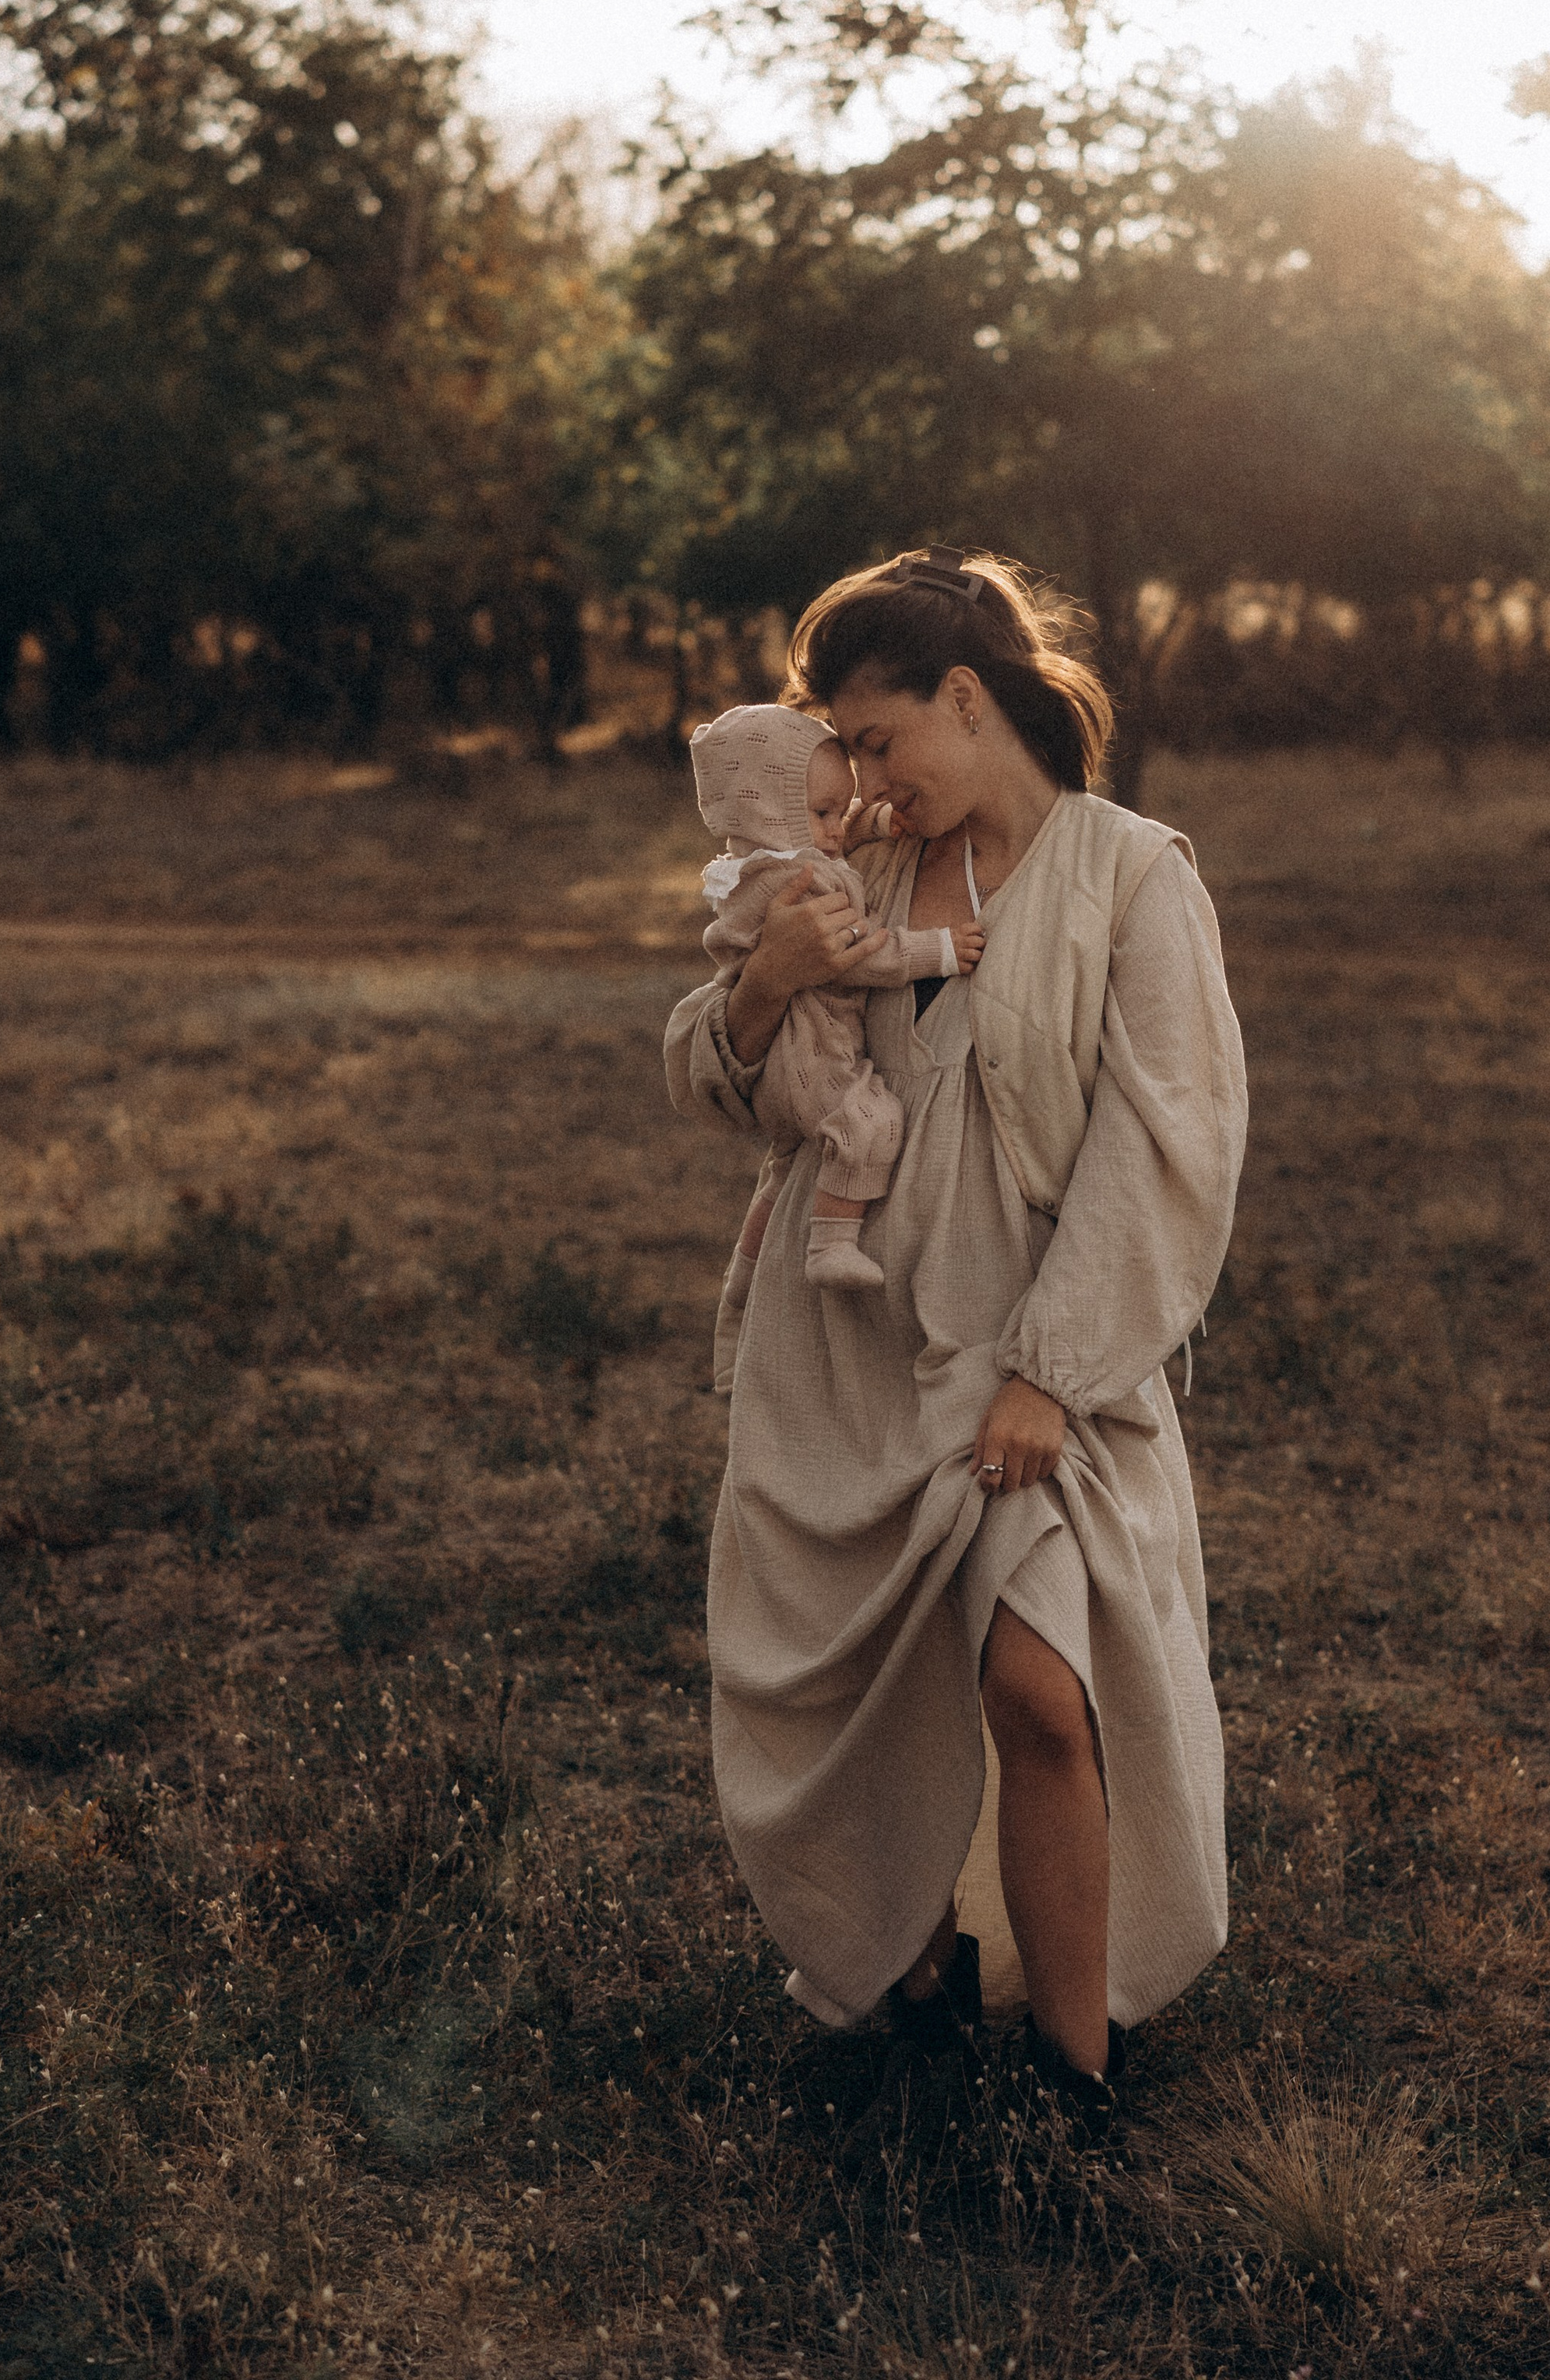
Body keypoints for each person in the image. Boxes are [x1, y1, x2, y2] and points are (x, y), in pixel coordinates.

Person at [663, 548, 1247, 2146]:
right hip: (840, 1344)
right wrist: (765, 982)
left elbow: (1165, 1144)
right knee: (867, 1685)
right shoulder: (840, 871)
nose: (850, 775)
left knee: (1040, 1687)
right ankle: (912, 1990)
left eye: (870, 736)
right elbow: (716, 1087)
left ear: (965, 699)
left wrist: (1050, 1369)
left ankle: (1077, 2079)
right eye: (832, 746)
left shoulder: (1130, 876)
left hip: (1025, 1364)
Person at [689, 699, 985, 1297]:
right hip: (815, 1050)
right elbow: (860, 954)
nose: (837, 825)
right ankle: (832, 1245)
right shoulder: (805, 882)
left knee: (789, 1163)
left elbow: (832, 830)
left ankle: (748, 1265)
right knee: (867, 1125)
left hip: (788, 1053)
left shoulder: (765, 858)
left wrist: (869, 824)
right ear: (774, 815)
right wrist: (940, 951)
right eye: (824, 811)